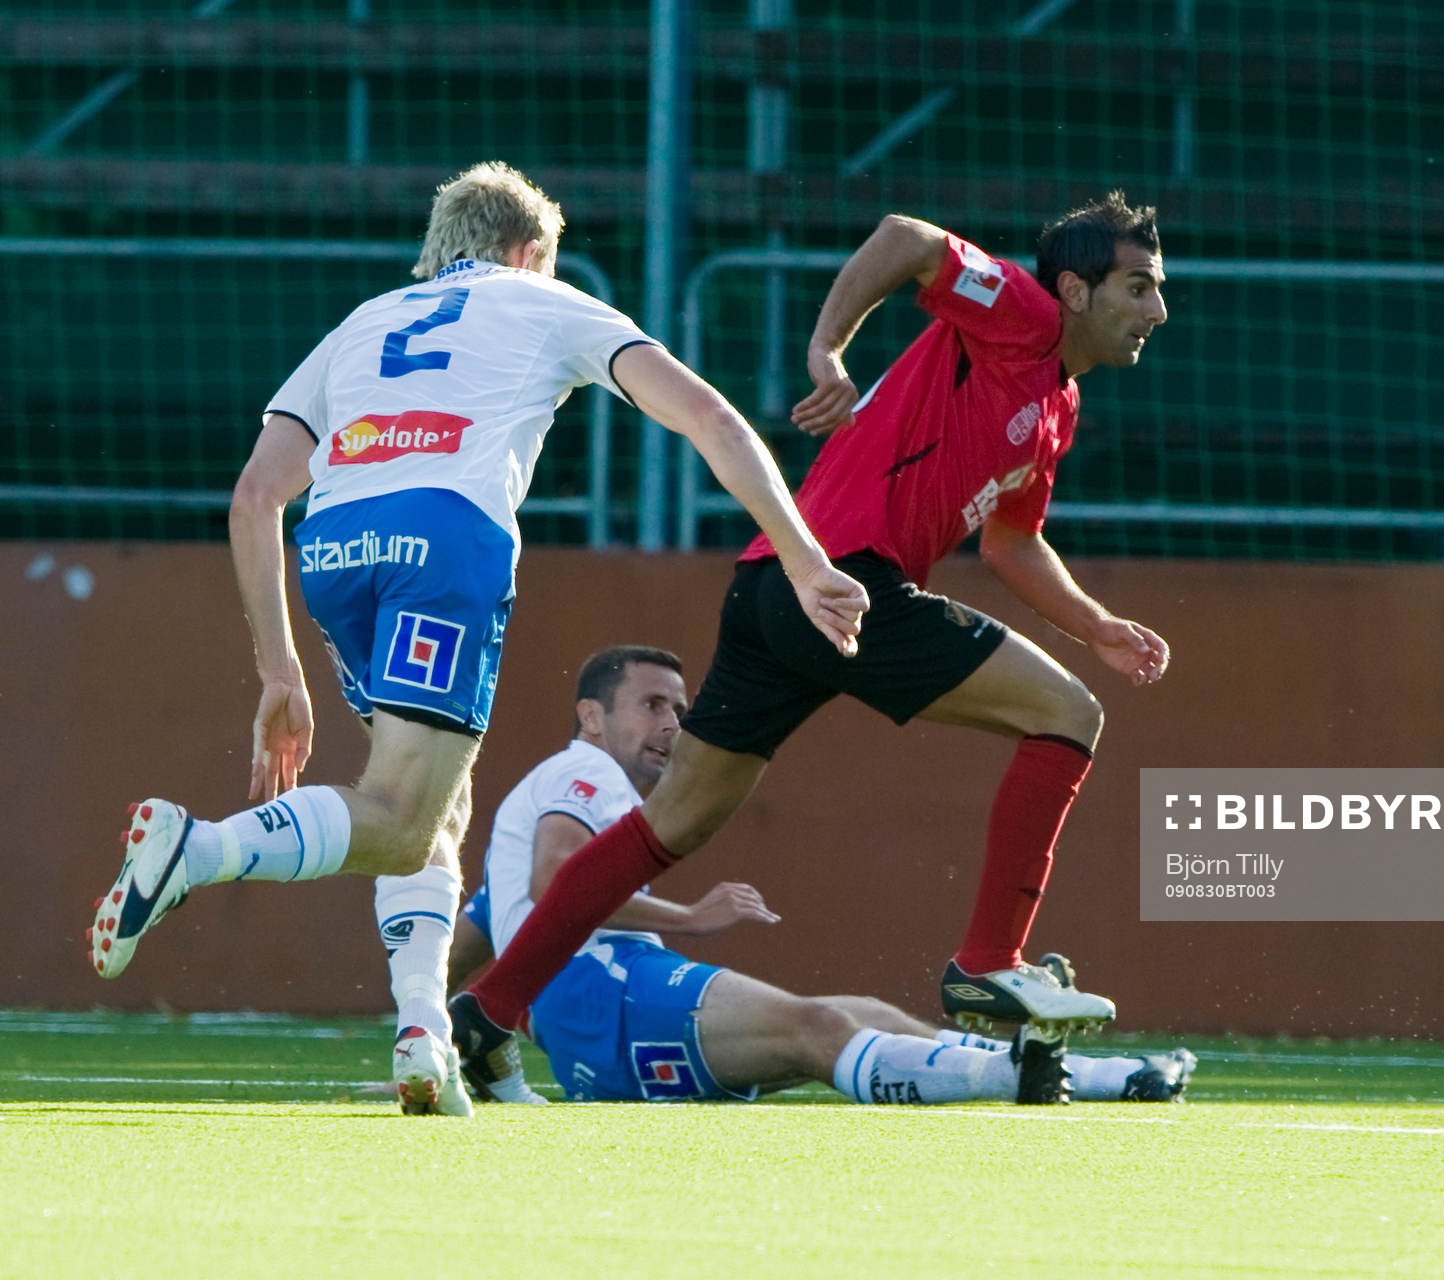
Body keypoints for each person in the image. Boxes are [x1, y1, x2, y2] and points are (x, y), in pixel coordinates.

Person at [86, 162, 868, 1117]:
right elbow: (706, 413)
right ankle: (197, 849)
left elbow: (255, 497)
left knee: (430, 812)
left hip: (336, 547)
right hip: (447, 540)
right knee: (406, 813)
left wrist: (277, 669)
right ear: (529, 250)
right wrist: (802, 555)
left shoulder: (363, 321)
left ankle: (425, 1037)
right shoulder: (547, 301)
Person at [453, 192, 1172, 1080]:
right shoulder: (1018, 313)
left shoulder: (1054, 409)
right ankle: (988, 963)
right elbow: (906, 235)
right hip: (844, 584)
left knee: (668, 822)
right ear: (1072, 289)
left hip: (771, 589)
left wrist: (1095, 624)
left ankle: (488, 1009)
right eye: (1137, 287)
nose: (1156, 310)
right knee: (1067, 716)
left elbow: (1012, 542)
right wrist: (826, 348)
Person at [451, 644, 1195, 1107]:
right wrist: (691, 917)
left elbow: (481, 931)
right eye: (651, 706)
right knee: (817, 1030)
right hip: (601, 996)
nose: (673, 723)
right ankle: (1035, 1078)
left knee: (861, 1012)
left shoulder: (559, 786)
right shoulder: (586, 774)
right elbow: (556, 883)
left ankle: (1099, 1075)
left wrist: (427, 1031)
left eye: (680, 707)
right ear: (589, 718)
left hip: (598, 1003)